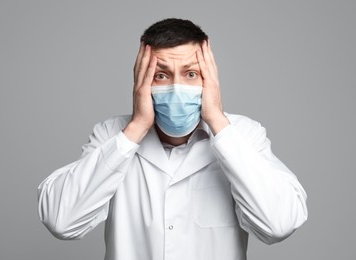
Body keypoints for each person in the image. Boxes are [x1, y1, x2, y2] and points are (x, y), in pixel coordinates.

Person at [38, 18, 308, 260]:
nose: (176, 87)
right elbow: (62, 222)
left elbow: (278, 224)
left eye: (191, 74)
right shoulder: (113, 135)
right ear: (140, 80)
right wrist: (136, 128)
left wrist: (218, 123)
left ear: (210, 78)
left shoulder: (242, 134)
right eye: (161, 75)